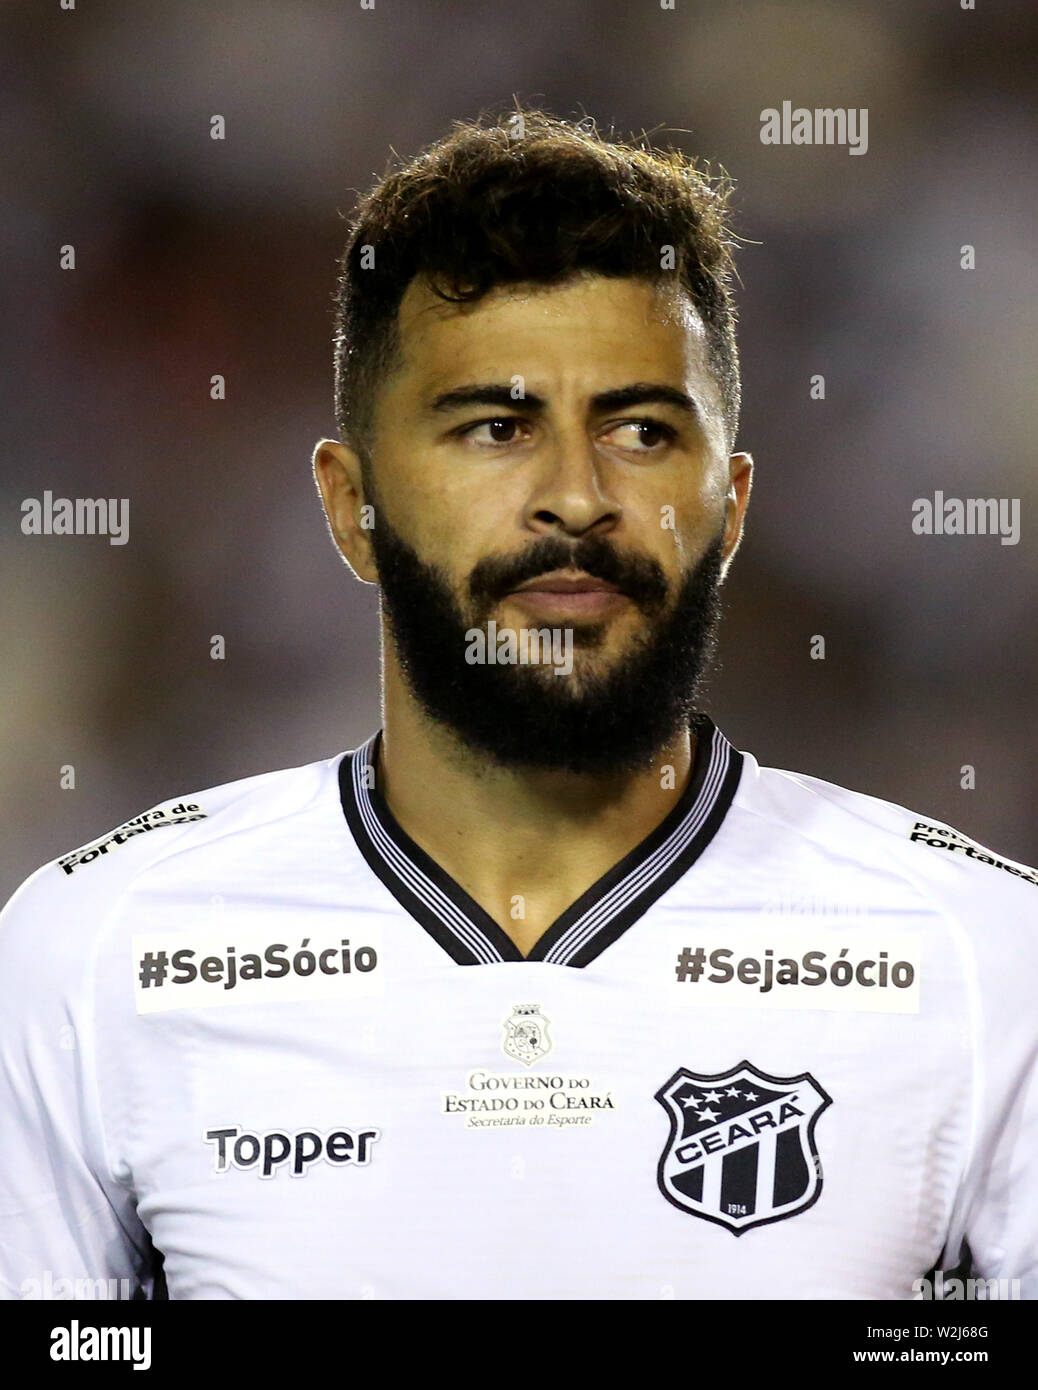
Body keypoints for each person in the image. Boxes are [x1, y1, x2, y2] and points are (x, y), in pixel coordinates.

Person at [1, 110, 1035, 1301]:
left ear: (733, 504)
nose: (576, 498)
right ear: (351, 506)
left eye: (642, 430)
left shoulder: (981, 964)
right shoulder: (98, 954)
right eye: (497, 427)